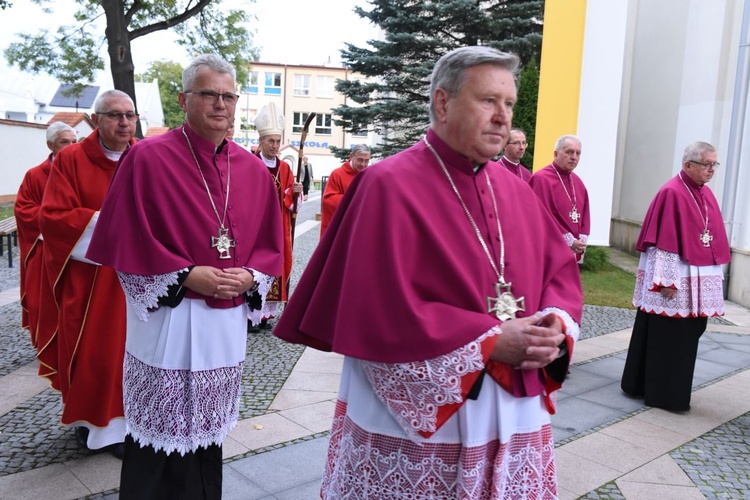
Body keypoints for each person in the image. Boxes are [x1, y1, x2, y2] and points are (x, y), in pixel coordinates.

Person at [273, 45, 583, 498]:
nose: (503, 117)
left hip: (509, 404)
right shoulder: (386, 185)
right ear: (443, 102)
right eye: (488, 101)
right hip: (419, 420)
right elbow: (377, 310)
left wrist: (553, 327)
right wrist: (492, 340)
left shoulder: (516, 191)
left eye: (509, 104)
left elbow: (558, 274)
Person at [86, 54, 284, 498]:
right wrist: (186, 274)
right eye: (209, 94)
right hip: (167, 320)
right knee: (157, 438)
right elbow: (125, 239)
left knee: (207, 440)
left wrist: (251, 276)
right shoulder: (147, 159)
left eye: (229, 96)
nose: (221, 105)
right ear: (184, 99)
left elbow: (272, 246)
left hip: (223, 324)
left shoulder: (252, 170)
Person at [38, 90, 137, 456]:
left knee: (136, 353)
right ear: (96, 121)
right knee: (97, 354)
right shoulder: (71, 160)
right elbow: (54, 217)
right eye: (114, 116)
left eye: (130, 115)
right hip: (92, 279)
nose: (124, 123)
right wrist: (115, 229)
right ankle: (97, 428)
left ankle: (136, 423)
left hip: (140, 277)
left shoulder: (144, 157)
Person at [621, 141, 731, 412]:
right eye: (706, 164)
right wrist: (667, 282)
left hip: (693, 280)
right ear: (688, 165)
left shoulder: (703, 193)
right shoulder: (672, 192)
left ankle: (643, 383)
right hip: (675, 283)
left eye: (714, 164)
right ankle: (664, 394)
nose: (711, 170)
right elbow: (664, 241)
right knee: (669, 337)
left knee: (687, 333)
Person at [15, 121, 77, 387]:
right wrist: (56, 223)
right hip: (47, 252)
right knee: (48, 305)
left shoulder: (78, 170)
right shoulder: (36, 175)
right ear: (51, 145)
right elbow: (23, 209)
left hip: (78, 251)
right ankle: (50, 344)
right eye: (65, 142)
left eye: (75, 141)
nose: (72, 147)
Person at [250, 102, 303, 332]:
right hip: (254, 226)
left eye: (277, 141)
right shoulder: (250, 164)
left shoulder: (285, 168)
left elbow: (291, 199)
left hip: (278, 227)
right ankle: (251, 313)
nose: (274, 145)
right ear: (261, 141)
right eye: (270, 141)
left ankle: (265, 315)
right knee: (253, 267)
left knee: (275, 268)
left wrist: (296, 193)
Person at [529, 135, 591, 263]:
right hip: (547, 251)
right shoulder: (541, 179)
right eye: (569, 152)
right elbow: (541, 216)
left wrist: (581, 240)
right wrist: (569, 240)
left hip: (571, 252)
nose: (574, 157)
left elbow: (585, 214)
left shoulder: (578, 182)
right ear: (556, 154)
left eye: (578, 153)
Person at [319, 144, 371, 236]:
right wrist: (354, 200)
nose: (363, 164)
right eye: (360, 160)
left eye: (366, 161)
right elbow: (328, 200)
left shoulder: (369, 175)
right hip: (342, 228)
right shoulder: (337, 174)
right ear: (351, 156)